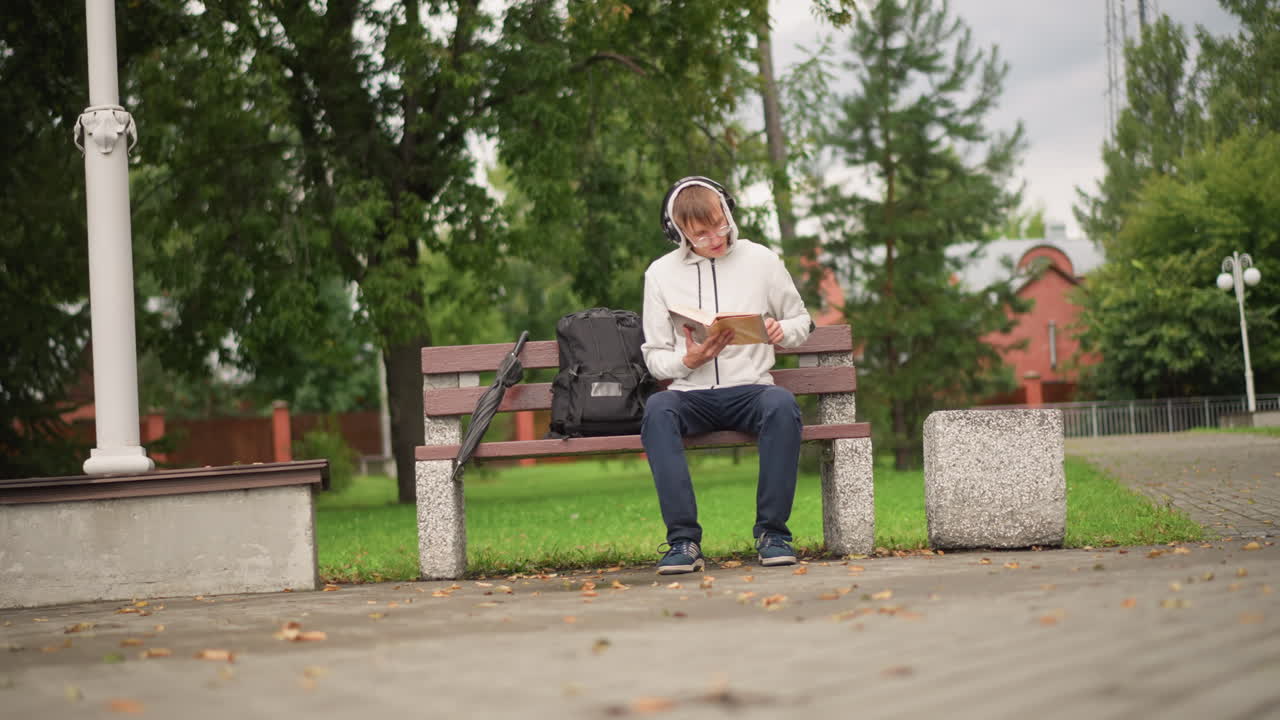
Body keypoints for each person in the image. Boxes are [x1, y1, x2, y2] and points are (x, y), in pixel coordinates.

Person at [640, 176, 813, 575]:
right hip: (691, 395)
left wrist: (781, 331)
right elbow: (654, 358)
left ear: (728, 211)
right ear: (678, 232)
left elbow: (801, 320)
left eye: (720, 224)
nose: (716, 238)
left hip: (751, 391)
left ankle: (773, 534)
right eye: (701, 234)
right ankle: (683, 541)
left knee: (782, 404)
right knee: (658, 408)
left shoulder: (762, 260)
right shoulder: (660, 274)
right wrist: (689, 360)